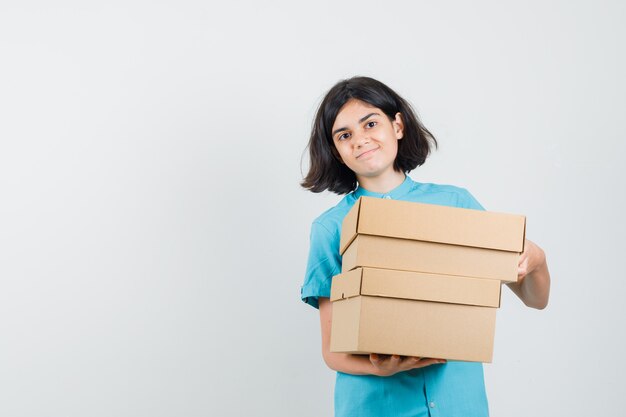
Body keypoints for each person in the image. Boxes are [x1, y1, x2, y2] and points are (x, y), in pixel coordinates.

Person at [300, 76, 551, 417]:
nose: (360, 140)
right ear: (337, 152)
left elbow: (535, 299)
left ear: (398, 125)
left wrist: (537, 260)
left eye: (370, 123)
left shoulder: (456, 203)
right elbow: (332, 351)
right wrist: (381, 368)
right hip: (379, 406)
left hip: (459, 404)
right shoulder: (330, 228)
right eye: (344, 135)